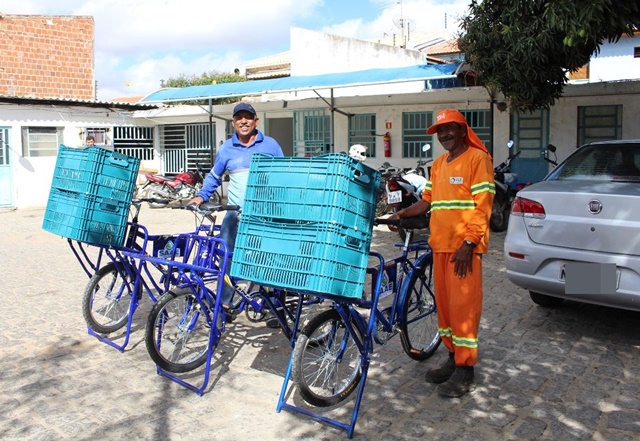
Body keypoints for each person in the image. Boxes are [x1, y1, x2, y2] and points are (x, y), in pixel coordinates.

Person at [388, 109, 494, 398]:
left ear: (462, 130)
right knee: (445, 309)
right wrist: (400, 214)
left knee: (463, 310)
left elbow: (483, 205)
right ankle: (452, 357)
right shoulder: (438, 165)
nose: (444, 135)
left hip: (463, 251)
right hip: (441, 247)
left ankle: (466, 370)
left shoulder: (477, 160)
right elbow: (427, 201)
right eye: (440, 131)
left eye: (449, 129)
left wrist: (469, 244)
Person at [187, 102, 284, 322]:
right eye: (239, 118)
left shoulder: (270, 145)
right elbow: (214, 177)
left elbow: (283, 175)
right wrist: (201, 196)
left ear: (256, 121)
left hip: (264, 215)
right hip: (235, 214)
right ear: (233, 122)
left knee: (270, 259)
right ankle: (225, 304)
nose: (243, 121)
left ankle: (274, 307)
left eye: (248, 117)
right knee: (226, 257)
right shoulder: (226, 149)